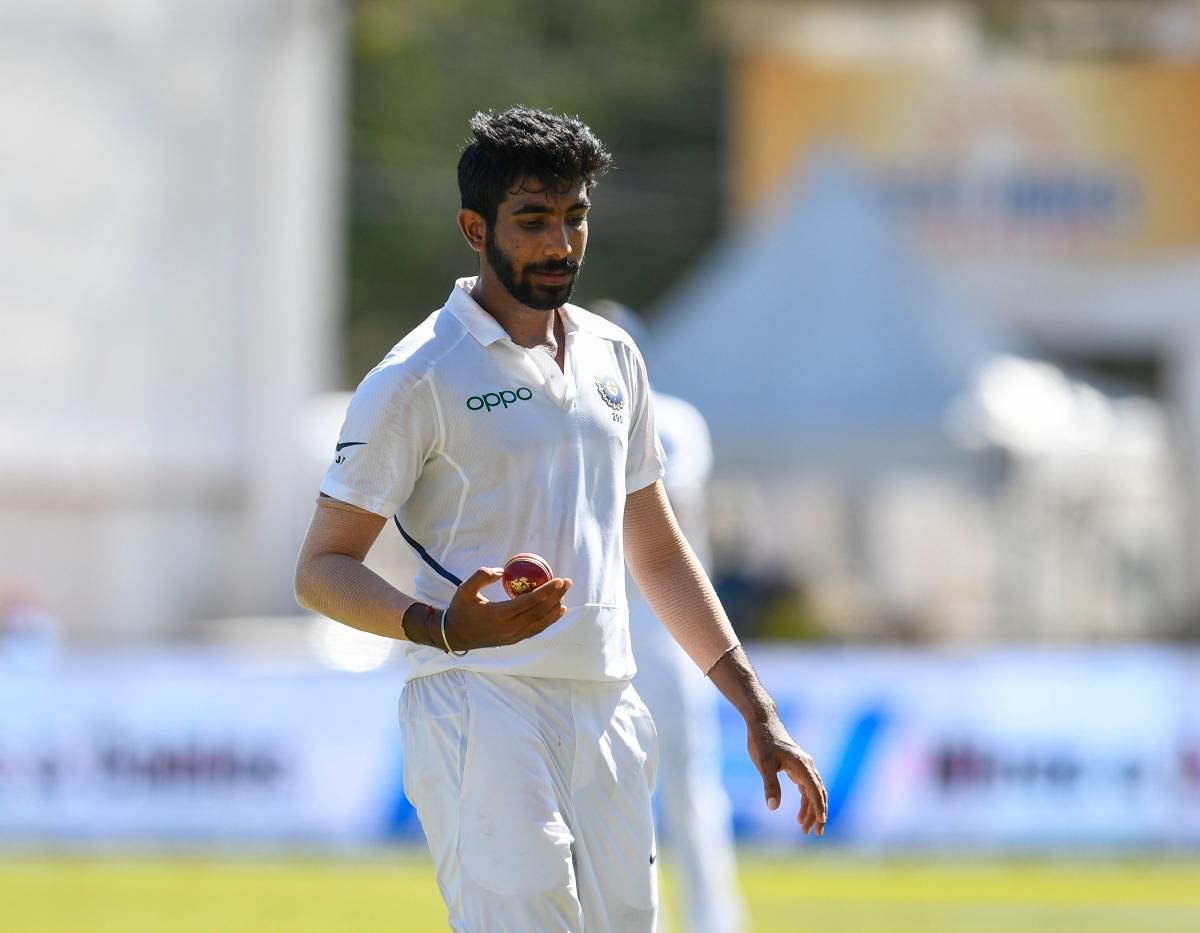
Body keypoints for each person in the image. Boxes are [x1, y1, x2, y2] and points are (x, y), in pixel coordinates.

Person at [294, 107, 826, 932]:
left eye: (575, 217)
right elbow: (321, 566)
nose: (561, 244)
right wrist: (441, 625)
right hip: (480, 700)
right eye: (534, 220)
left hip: (609, 700)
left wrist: (754, 705)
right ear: (476, 227)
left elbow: (656, 546)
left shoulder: (616, 356)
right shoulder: (415, 376)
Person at [592, 301, 744, 933]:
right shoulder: (569, 419)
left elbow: (655, 511)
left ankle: (715, 922)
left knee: (689, 787)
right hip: (602, 629)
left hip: (670, 630)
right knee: (616, 795)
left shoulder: (673, 419)